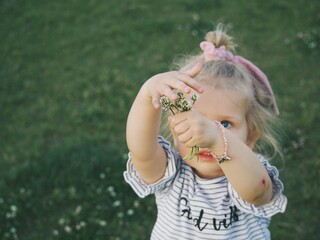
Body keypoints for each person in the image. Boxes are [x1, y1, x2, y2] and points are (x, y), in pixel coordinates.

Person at [124, 24, 287, 239]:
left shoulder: (250, 170)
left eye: (225, 124)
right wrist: (147, 94)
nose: (204, 133)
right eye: (195, 120)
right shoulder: (171, 173)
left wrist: (219, 140)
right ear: (175, 130)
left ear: (251, 137)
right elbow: (140, 152)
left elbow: (257, 191)